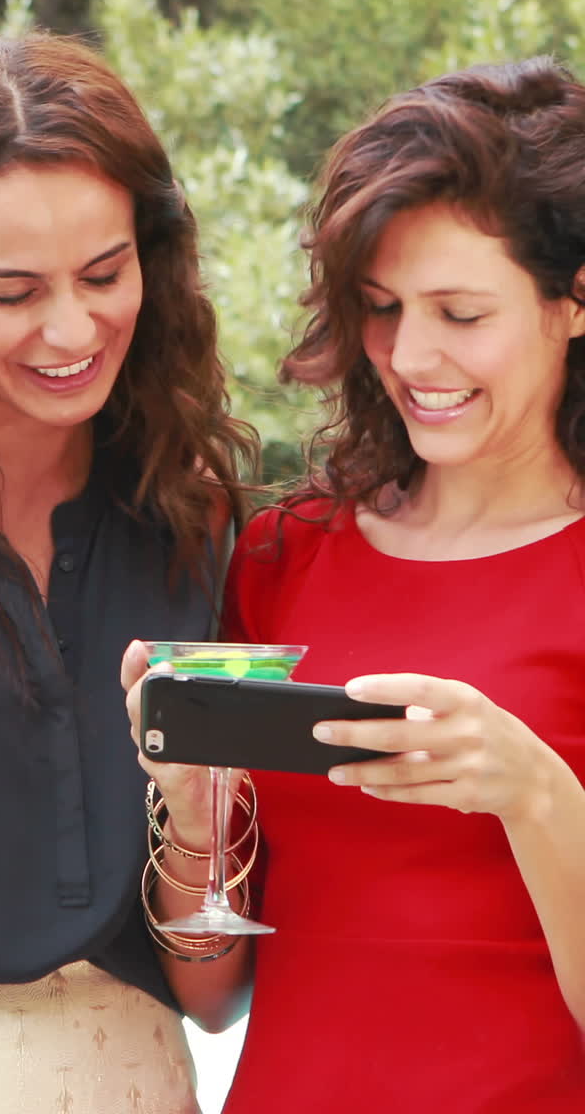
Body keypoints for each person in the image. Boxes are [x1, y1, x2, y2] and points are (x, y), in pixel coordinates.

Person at [123, 55, 585, 1112]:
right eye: (380, 306)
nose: (410, 354)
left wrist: (532, 787)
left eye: (460, 313)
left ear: (574, 302)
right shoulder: (289, 549)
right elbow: (212, 989)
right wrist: (192, 817)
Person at [0, 31, 257, 1114]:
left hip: (132, 1075)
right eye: (12, 290)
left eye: (104, 272)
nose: (73, 327)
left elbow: (215, 993)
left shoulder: (203, 522)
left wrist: (197, 816)